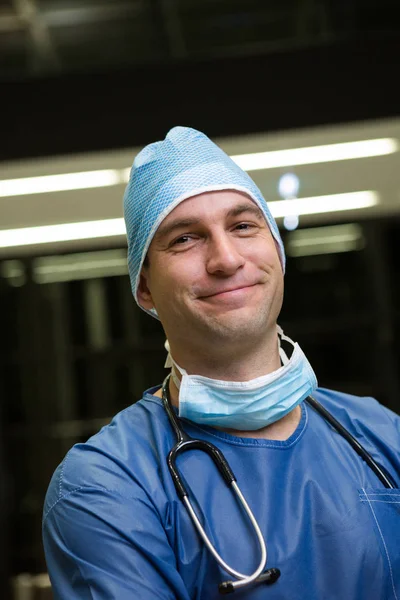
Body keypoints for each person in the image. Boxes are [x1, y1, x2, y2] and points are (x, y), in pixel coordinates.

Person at [42, 126, 400, 600]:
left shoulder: (380, 435)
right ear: (144, 286)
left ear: (276, 248)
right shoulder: (104, 486)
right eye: (186, 238)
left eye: (244, 226)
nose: (226, 259)